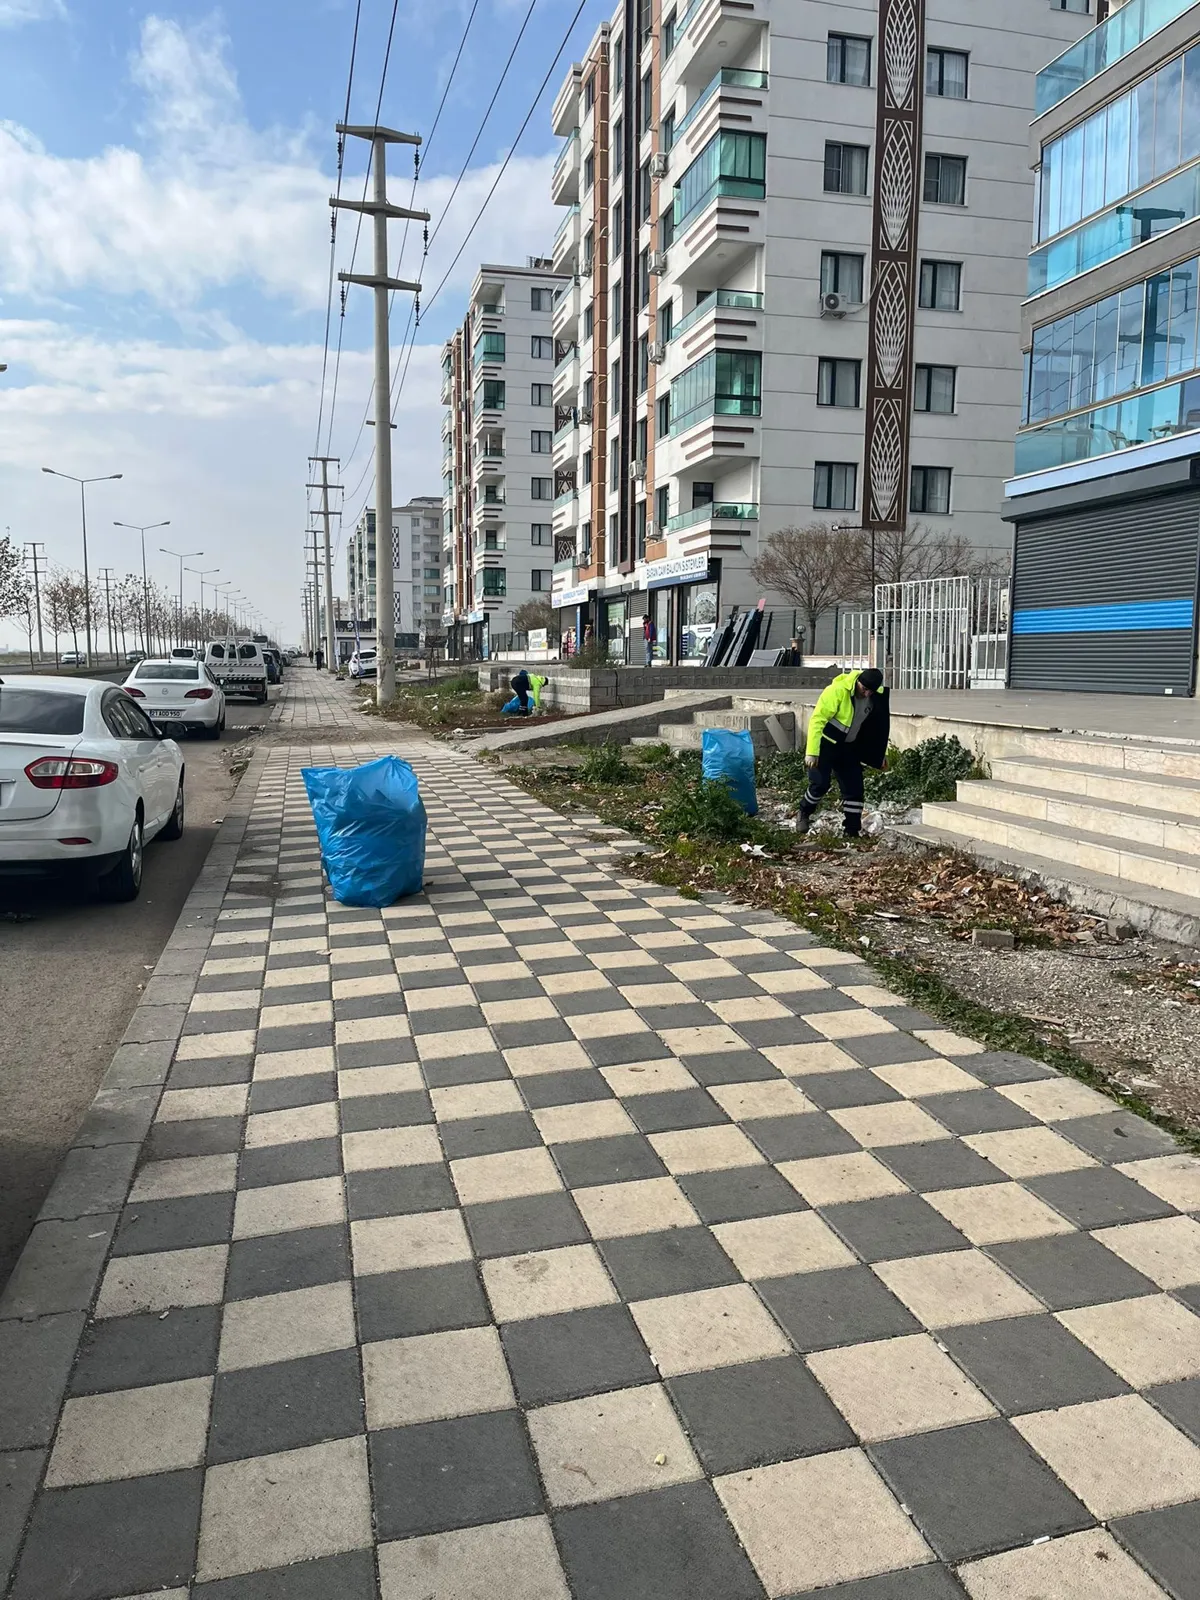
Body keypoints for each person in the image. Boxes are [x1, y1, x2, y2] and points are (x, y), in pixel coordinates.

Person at [797, 667, 888, 838]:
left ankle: (852, 830)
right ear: (858, 682)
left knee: (854, 788)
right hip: (826, 745)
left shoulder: (875, 697)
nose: (867, 694)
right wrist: (812, 752)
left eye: (871, 691)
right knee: (820, 784)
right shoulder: (837, 691)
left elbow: (876, 729)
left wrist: (879, 754)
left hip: (848, 747)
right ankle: (803, 812)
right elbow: (817, 720)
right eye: (864, 689)